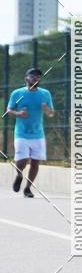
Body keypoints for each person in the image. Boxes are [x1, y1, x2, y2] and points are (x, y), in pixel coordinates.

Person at [6, 67, 55, 198]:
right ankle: (19, 175)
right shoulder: (17, 93)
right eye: (33, 76)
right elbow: (9, 110)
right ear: (26, 78)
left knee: (35, 163)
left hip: (38, 135)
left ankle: (28, 189)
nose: (35, 79)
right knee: (22, 160)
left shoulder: (45, 94)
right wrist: (18, 113)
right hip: (21, 133)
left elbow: (51, 114)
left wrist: (47, 110)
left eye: (38, 77)